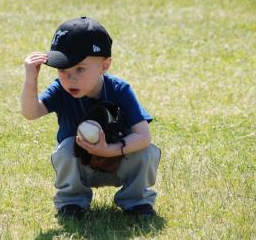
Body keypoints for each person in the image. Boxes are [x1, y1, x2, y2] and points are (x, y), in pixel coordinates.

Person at [21, 16, 161, 218]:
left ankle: (137, 202)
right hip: (82, 167)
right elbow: (30, 112)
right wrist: (31, 78)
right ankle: (71, 202)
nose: (70, 78)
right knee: (67, 148)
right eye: (63, 69)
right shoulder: (61, 90)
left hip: (119, 162)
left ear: (104, 65)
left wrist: (110, 150)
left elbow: (143, 136)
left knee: (146, 152)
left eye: (80, 68)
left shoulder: (119, 90)